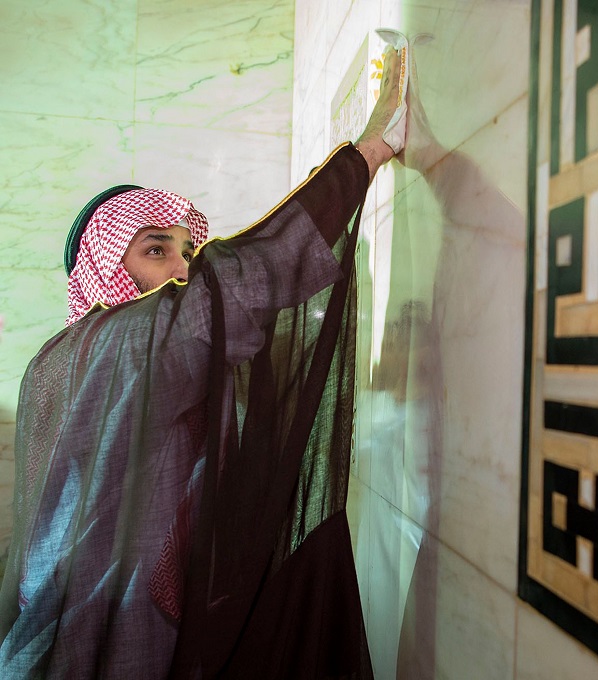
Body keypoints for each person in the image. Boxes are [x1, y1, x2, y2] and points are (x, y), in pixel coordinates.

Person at [0, 41, 409, 680]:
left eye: (187, 251)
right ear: (107, 270)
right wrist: (366, 155)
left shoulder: (65, 359)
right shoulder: (121, 341)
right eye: (156, 251)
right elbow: (233, 293)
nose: (183, 269)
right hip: (105, 646)